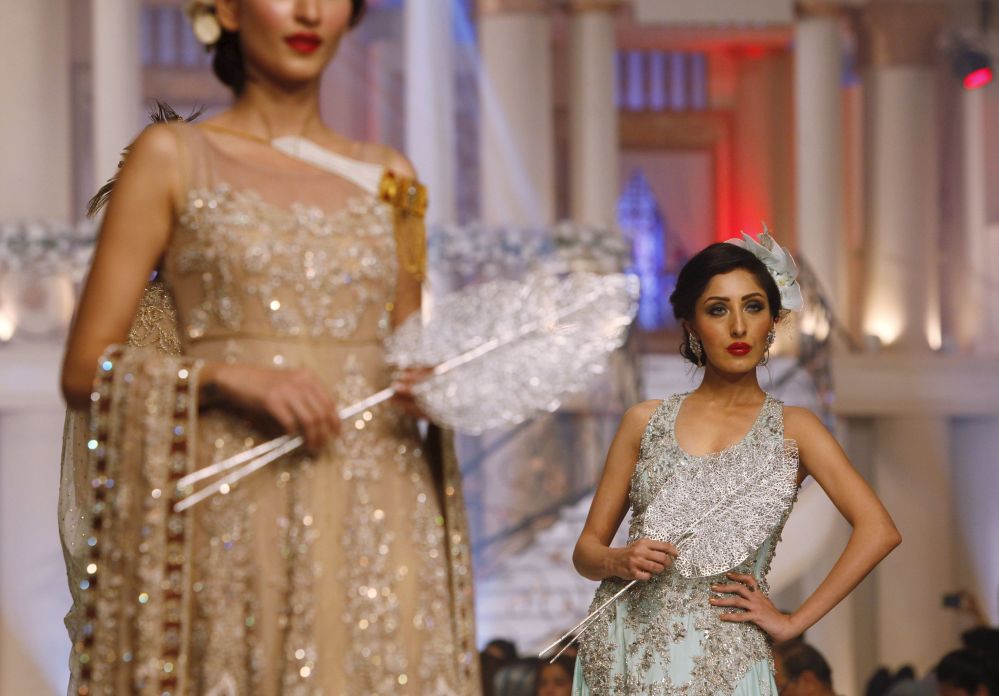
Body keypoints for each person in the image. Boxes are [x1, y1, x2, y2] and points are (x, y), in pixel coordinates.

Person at [58, 1, 477, 693]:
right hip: (236, 504)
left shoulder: (393, 179)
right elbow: (85, 368)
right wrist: (224, 379)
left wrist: (443, 386)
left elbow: (408, 349)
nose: (309, 11)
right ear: (223, 9)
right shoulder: (172, 158)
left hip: (378, 507)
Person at [569, 235, 901, 694]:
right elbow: (585, 553)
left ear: (773, 321)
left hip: (724, 659)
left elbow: (879, 531)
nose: (739, 326)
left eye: (753, 306)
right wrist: (618, 559)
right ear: (691, 325)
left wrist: (793, 622)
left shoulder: (796, 429)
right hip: (623, 648)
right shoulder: (643, 421)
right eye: (718, 310)